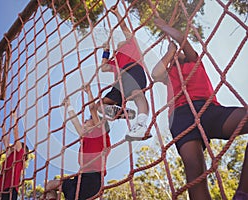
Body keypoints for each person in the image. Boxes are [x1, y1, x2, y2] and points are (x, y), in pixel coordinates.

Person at [151, 17, 248, 200]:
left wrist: (165, 28)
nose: (177, 53)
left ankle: (243, 193)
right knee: (195, 170)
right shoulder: (169, 74)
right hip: (181, 117)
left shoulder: (194, 61)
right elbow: (155, 74)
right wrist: (170, 51)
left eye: (178, 52)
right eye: (173, 54)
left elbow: (183, 41)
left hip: (207, 109)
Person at [45, 84, 111, 200]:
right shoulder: (85, 137)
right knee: (50, 185)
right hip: (80, 178)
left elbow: (92, 109)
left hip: (92, 179)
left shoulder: (100, 134)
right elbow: (75, 122)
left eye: (90, 119)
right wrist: (69, 106)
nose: (85, 120)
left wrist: (89, 92)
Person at [98, 5, 150, 141]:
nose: (120, 43)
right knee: (100, 106)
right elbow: (103, 68)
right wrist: (106, 50)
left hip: (133, 69)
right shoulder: (115, 59)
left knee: (136, 94)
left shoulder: (131, 45)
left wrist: (117, 14)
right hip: (120, 81)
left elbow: (125, 28)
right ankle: (122, 112)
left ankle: (141, 124)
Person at [0, 113, 29, 200]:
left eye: (17, 144)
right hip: (0, 191)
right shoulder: (10, 155)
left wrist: (14, 117)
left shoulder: (20, 154)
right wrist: (2, 126)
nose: (14, 144)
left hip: (11, 189)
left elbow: (16, 134)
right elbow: (5, 140)